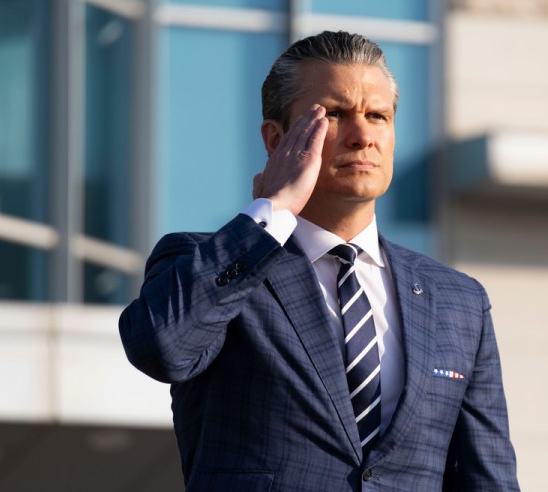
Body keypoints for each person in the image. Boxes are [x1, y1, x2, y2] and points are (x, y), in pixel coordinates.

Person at [119, 31, 519, 491]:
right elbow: (161, 348)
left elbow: (489, 479)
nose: (363, 135)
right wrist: (272, 210)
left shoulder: (459, 301)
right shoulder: (207, 261)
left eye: (377, 116)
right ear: (276, 138)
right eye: (334, 114)